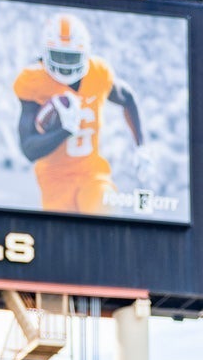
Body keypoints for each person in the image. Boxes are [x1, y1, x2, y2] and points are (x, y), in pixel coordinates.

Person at [15, 11, 146, 215]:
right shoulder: (34, 81)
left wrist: (141, 147)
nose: (66, 64)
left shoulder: (98, 73)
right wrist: (65, 130)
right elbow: (28, 149)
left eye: (72, 56)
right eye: (60, 56)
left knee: (105, 218)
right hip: (54, 180)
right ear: (45, 54)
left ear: (86, 53)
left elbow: (127, 98)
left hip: (92, 173)